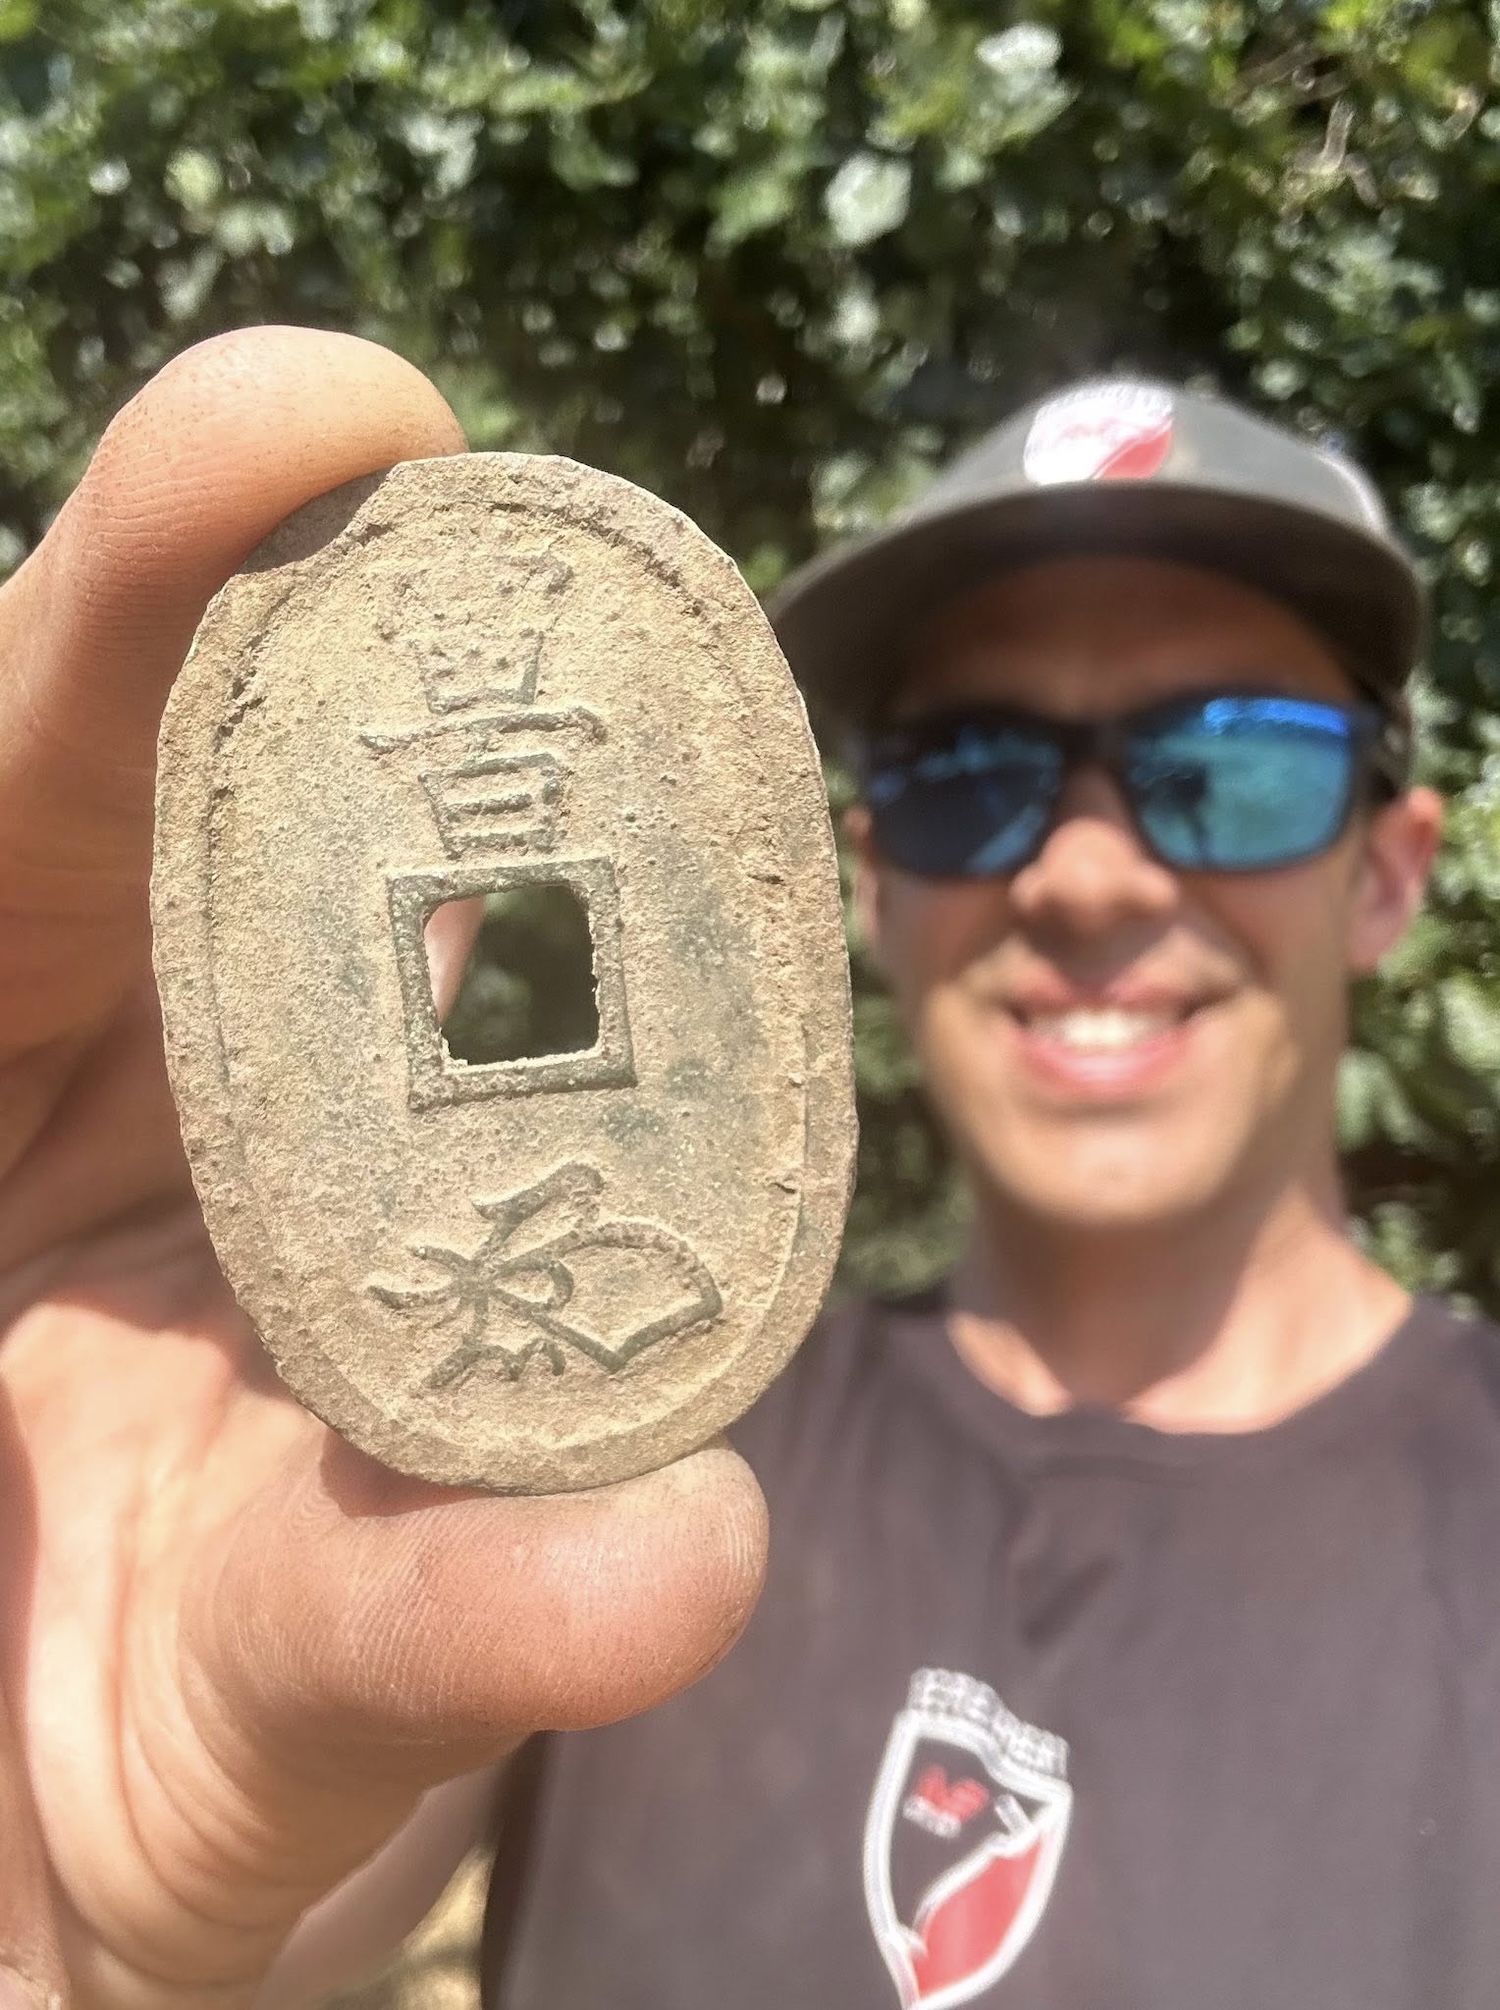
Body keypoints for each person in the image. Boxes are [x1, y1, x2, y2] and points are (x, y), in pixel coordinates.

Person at [0, 334, 1467, 2010]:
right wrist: (81, 1846)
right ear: (855, 882)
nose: (1085, 872)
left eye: (1232, 765)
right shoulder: (617, 1430)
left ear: (1388, 869)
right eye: (968, 778)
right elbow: (291, 1889)